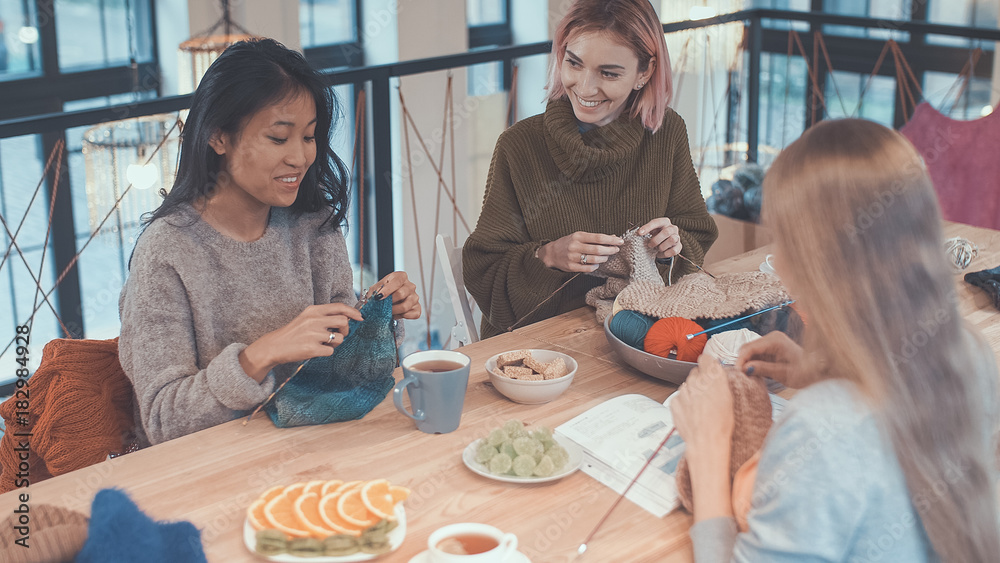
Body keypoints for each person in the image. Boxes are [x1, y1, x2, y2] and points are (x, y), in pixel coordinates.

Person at [672, 119, 1000, 561]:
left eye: (785, 241)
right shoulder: (970, 356)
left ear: (822, 264)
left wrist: (708, 446)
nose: (780, 261)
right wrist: (828, 371)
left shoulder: (821, 429)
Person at [119, 39, 420, 446]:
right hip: (214, 469)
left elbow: (343, 373)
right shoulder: (167, 253)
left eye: (310, 137)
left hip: (318, 445)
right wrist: (261, 355)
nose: (300, 157)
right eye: (279, 138)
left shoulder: (313, 225)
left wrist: (379, 315)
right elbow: (163, 420)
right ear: (218, 137)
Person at [462, 0, 717, 339]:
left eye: (608, 73)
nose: (584, 87)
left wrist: (673, 246)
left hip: (636, 332)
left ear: (645, 71)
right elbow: (485, 269)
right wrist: (546, 255)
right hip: (537, 345)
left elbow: (694, 234)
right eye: (574, 63)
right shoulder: (519, 145)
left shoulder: (666, 132)